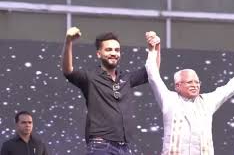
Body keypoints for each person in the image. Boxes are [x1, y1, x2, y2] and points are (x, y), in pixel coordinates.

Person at [145, 32, 234, 155]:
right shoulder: (169, 99)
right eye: (189, 82)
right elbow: (153, 76)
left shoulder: (207, 102)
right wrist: (153, 50)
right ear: (178, 86)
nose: (195, 85)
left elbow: (231, 87)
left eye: (197, 82)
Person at [61, 27, 160, 155]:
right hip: (100, 146)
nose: (113, 53)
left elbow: (153, 71)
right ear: (98, 53)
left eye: (117, 50)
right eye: (108, 50)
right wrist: (68, 41)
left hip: (124, 147)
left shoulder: (126, 78)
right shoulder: (90, 77)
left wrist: (156, 46)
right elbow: (68, 70)